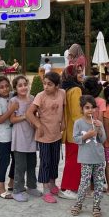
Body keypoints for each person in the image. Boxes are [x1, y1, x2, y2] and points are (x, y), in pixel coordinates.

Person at [27, 71, 66, 204]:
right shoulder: (40, 96)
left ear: (56, 85)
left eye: (49, 84)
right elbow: (29, 113)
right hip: (44, 136)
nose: (45, 86)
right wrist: (39, 125)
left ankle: (52, 184)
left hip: (56, 134)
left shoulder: (62, 93)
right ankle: (46, 191)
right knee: (45, 162)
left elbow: (64, 108)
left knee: (55, 161)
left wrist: (64, 121)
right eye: (44, 83)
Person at [70, 95, 107, 217]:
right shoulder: (78, 123)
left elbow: (102, 140)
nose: (90, 110)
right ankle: (78, 203)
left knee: (99, 183)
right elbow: (75, 139)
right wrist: (88, 135)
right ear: (82, 109)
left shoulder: (98, 123)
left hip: (99, 158)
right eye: (87, 108)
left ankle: (96, 206)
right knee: (84, 183)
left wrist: (99, 131)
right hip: (86, 159)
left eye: (92, 108)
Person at [9, 76, 38, 202]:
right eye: (20, 85)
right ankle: (17, 190)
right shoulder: (13, 101)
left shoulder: (32, 98)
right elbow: (12, 119)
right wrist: (26, 116)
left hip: (31, 135)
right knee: (20, 165)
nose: (23, 87)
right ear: (15, 88)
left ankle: (31, 186)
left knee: (32, 163)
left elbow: (35, 115)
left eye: (25, 84)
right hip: (19, 136)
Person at [59, 65, 84, 200]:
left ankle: (66, 186)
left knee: (71, 160)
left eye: (81, 72)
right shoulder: (76, 90)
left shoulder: (67, 89)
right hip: (76, 132)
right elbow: (77, 114)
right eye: (78, 72)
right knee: (74, 161)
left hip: (69, 132)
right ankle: (70, 187)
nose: (81, 74)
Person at [0, 76, 15, 198]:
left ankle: (12, 182)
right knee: (5, 162)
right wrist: (11, 110)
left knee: (16, 160)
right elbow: (0, 120)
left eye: (7, 86)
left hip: (15, 135)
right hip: (3, 137)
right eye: (1, 87)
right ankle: (0, 187)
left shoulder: (12, 96)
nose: (5, 89)